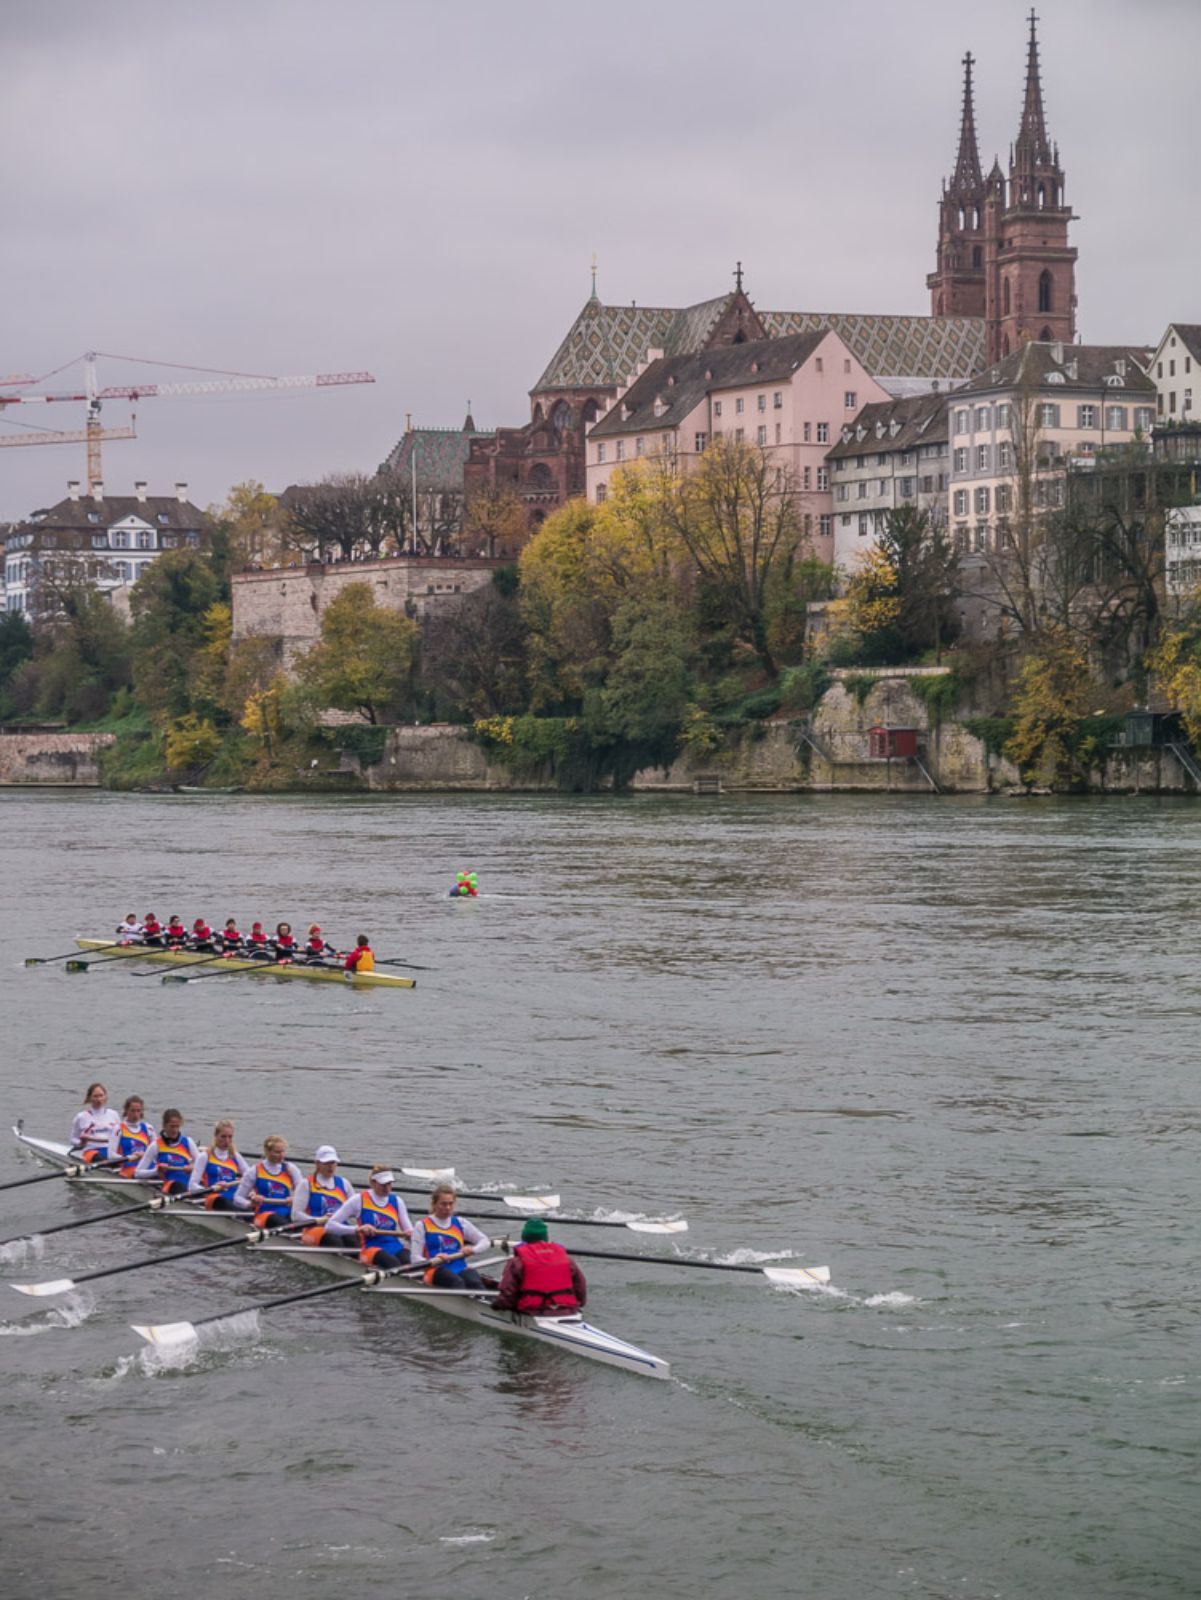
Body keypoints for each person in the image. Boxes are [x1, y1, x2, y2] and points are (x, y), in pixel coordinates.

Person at [492, 1217, 587, 1317]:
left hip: (532, 1312)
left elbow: (508, 1292)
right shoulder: (567, 1259)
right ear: (545, 1237)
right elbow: (581, 1284)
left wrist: (497, 1306)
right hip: (568, 1310)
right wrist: (580, 1303)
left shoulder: (517, 1262)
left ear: (524, 1237)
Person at [409, 1182, 492, 1290]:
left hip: (459, 1267)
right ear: (434, 1204)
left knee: (476, 1283)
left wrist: (473, 1249)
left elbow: (485, 1241)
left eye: (451, 1204)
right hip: (434, 1269)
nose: (448, 1207)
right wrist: (435, 1259)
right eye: (443, 1204)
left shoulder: (460, 1223)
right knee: (457, 1283)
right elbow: (414, 1259)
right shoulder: (422, 1226)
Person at [324, 1165, 411, 1267]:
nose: (387, 1188)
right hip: (370, 1249)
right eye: (383, 1184)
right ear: (373, 1183)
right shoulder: (358, 1200)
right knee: (393, 1263)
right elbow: (330, 1226)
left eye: (389, 1184)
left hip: (395, 1246)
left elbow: (408, 1230)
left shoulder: (397, 1201)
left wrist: (410, 1235)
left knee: (409, 1262)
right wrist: (357, 1229)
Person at [232, 1134, 303, 1228]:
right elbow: (237, 1198)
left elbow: (303, 1194)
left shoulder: (290, 1169)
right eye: (277, 1152)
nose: (281, 1155)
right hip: (264, 1215)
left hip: (286, 1211)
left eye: (283, 1151)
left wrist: (296, 1199)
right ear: (267, 1152)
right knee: (281, 1221)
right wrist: (250, 1204)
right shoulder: (254, 1171)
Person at [292, 1145, 353, 1244]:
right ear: (317, 1164)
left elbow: (355, 1212)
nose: (330, 1166)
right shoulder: (306, 1184)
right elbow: (296, 1215)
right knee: (334, 1241)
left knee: (355, 1240)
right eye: (326, 1163)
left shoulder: (344, 1183)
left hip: (338, 1226)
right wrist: (320, 1220)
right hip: (314, 1228)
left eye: (333, 1162)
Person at [133, 1108, 199, 1193]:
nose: (175, 1130)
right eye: (172, 1126)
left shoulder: (188, 1142)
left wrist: (192, 1167)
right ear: (164, 1125)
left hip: (188, 1183)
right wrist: (156, 1171)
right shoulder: (155, 1145)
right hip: (169, 1184)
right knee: (179, 1187)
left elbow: (201, 1167)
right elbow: (137, 1173)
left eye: (177, 1126)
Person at [189, 1119, 248, 1209]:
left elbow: (251, 1177)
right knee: (225, 1202)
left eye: (230, 1137)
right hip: (214, 1197)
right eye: (223, 1137)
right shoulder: (205, 1156)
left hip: (233, 1196)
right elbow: (192, 1186)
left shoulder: (235, 1156)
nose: (227, 1141)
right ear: (216, 1136)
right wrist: (212, 1188)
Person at [69, 1083, 121, 1162]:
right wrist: (81, 1143)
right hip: (91, 1151)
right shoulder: (81, 1117)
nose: (99, 1099)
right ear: (89, 1098)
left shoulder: (113, 1114)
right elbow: (72, 1139)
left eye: (101, 1096)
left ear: (105, 1097)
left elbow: (120, 1136)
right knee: (104, 1159)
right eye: (95, 1096)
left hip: (110, 1150)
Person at [108, 1095, 155, 1178]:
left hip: (148, 1167)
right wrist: (130, 1157)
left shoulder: (149, 1128)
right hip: (128, 1168)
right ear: (126, 1111)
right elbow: (111, 1156)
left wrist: (144, 1156)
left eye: (138, 1111)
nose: (136, 1114)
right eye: (132, 1111)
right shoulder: (118, 1129)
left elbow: (157, 1153)